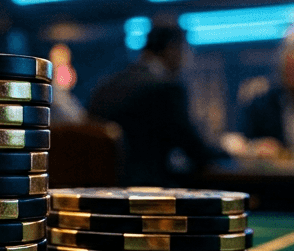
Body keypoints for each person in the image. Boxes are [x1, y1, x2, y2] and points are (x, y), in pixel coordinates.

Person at [88, 23, 221, 186]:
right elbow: (196, 151)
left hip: (99, 192)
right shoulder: (167, 88)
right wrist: (233, 152)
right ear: (172, 48)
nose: (187, 59)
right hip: (147, 191)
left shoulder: (105, 86)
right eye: (186, 51)